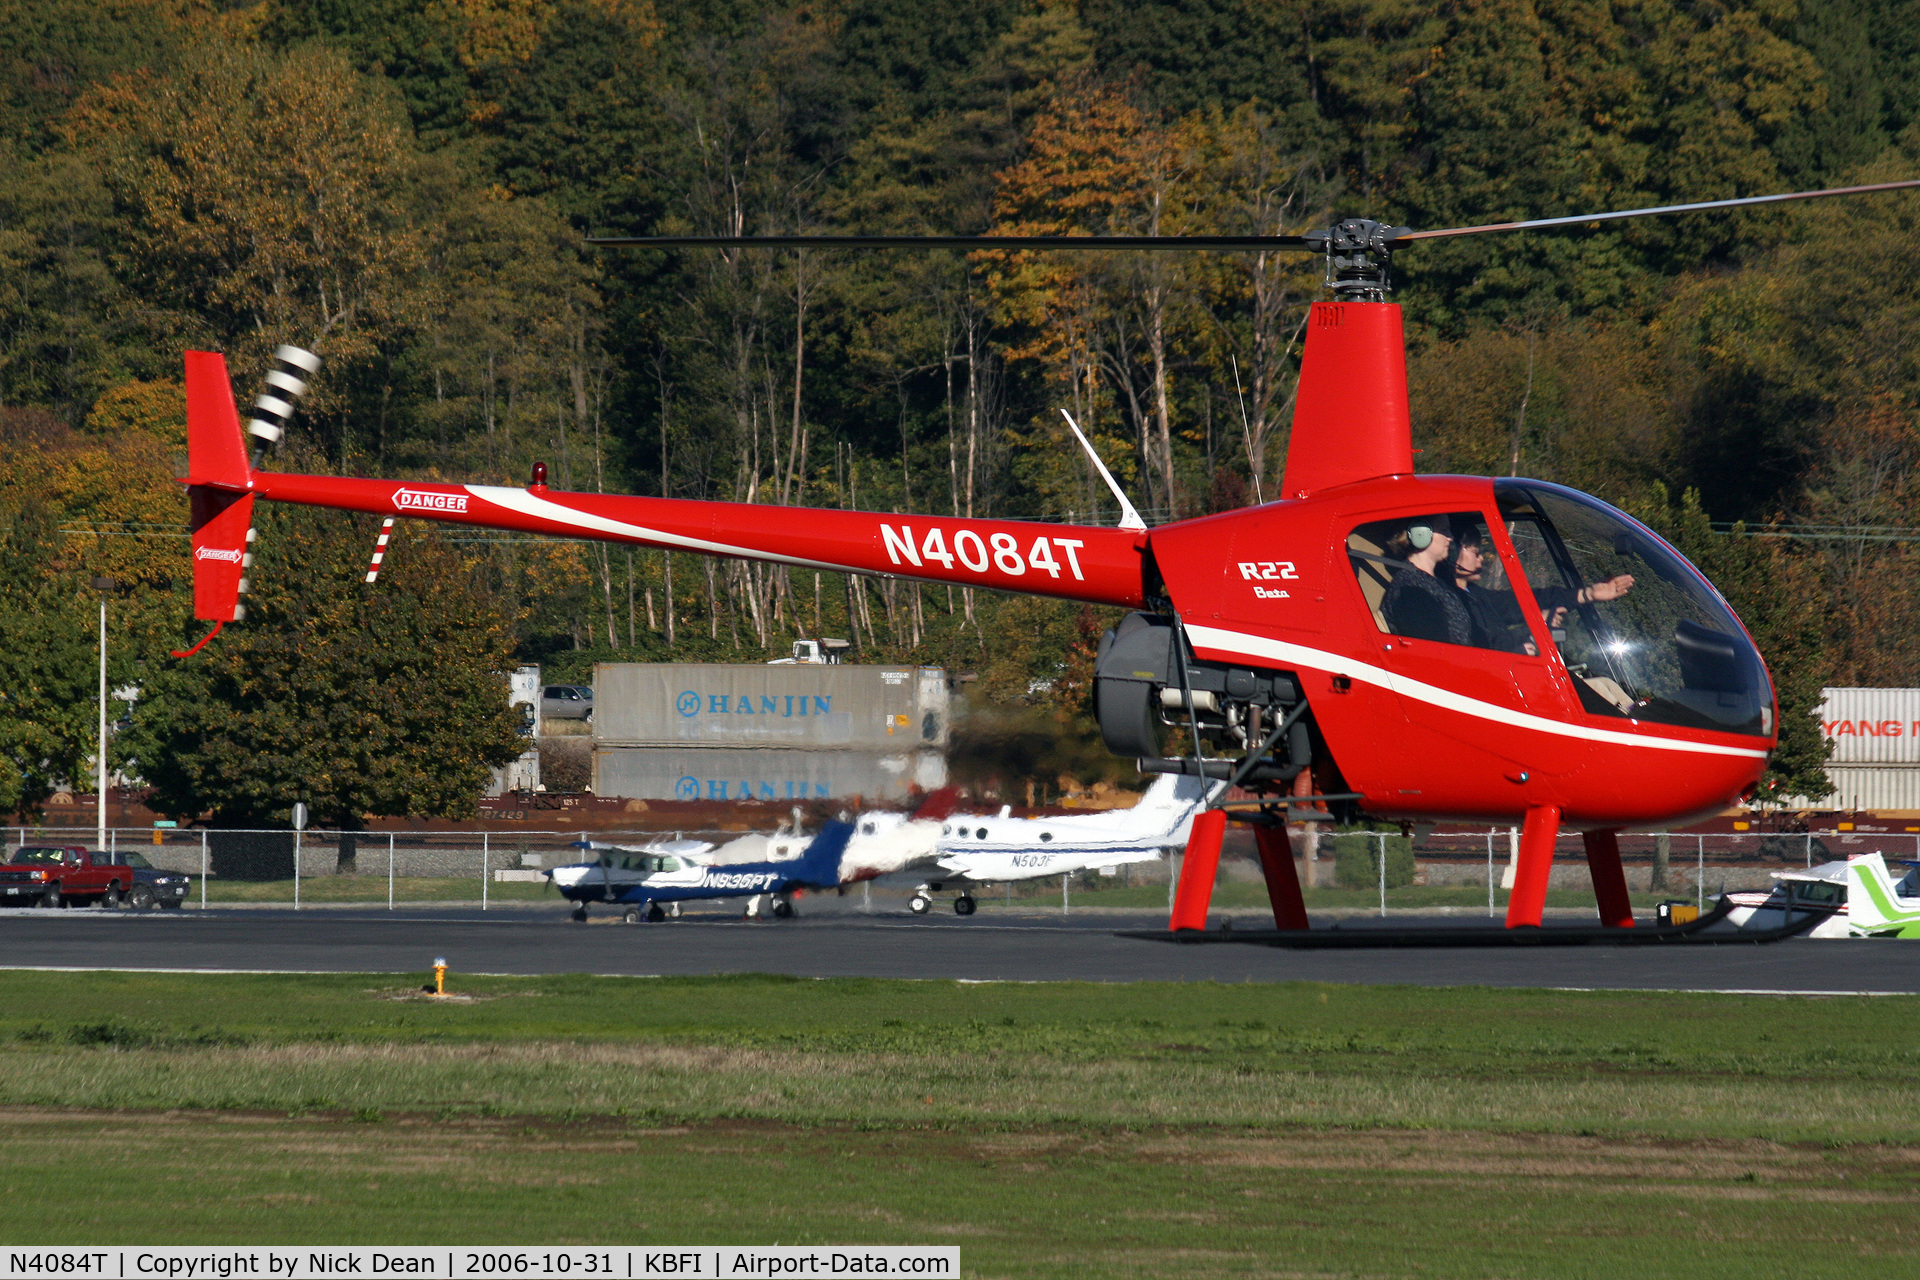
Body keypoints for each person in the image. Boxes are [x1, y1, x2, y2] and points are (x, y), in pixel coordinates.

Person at [1380, 519, 1476, 645]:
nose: (1450, 538)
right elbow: (1433, 649)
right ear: (1420, 533)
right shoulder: (1411, 590)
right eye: (1444, 530)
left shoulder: (1435, 582)